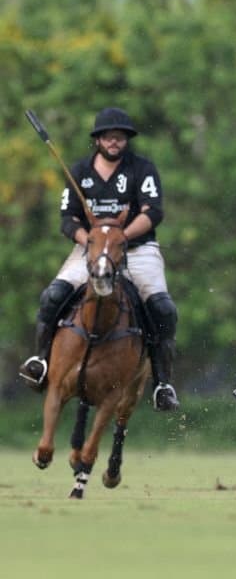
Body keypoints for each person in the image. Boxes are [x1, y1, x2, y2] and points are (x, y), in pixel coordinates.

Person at [18, 107, 181, 411]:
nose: (113, 141)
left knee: (163, 309)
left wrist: (119, 238)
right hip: (91, 251)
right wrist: (95, 242)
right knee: (52, 296)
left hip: (138, 250)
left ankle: (162, 384)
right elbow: (68, 219)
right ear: (98, 140)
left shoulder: (142, 169)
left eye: (119, 136)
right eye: (108, 136)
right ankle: (40, 361)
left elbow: (153, 212)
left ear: (126, 140)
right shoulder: (79, 172)